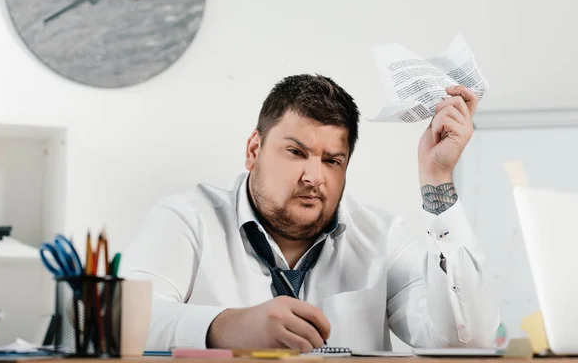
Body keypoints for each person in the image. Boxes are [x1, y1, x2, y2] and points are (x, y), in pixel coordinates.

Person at [121, 74, 499, 352]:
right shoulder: (187, 219)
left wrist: (437, 180)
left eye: (332, 160)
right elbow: (120, 321)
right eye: (296, 152)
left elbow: (464, 341)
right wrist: (228, 326)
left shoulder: (384, 239)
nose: (314, 177)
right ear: (254, 149)